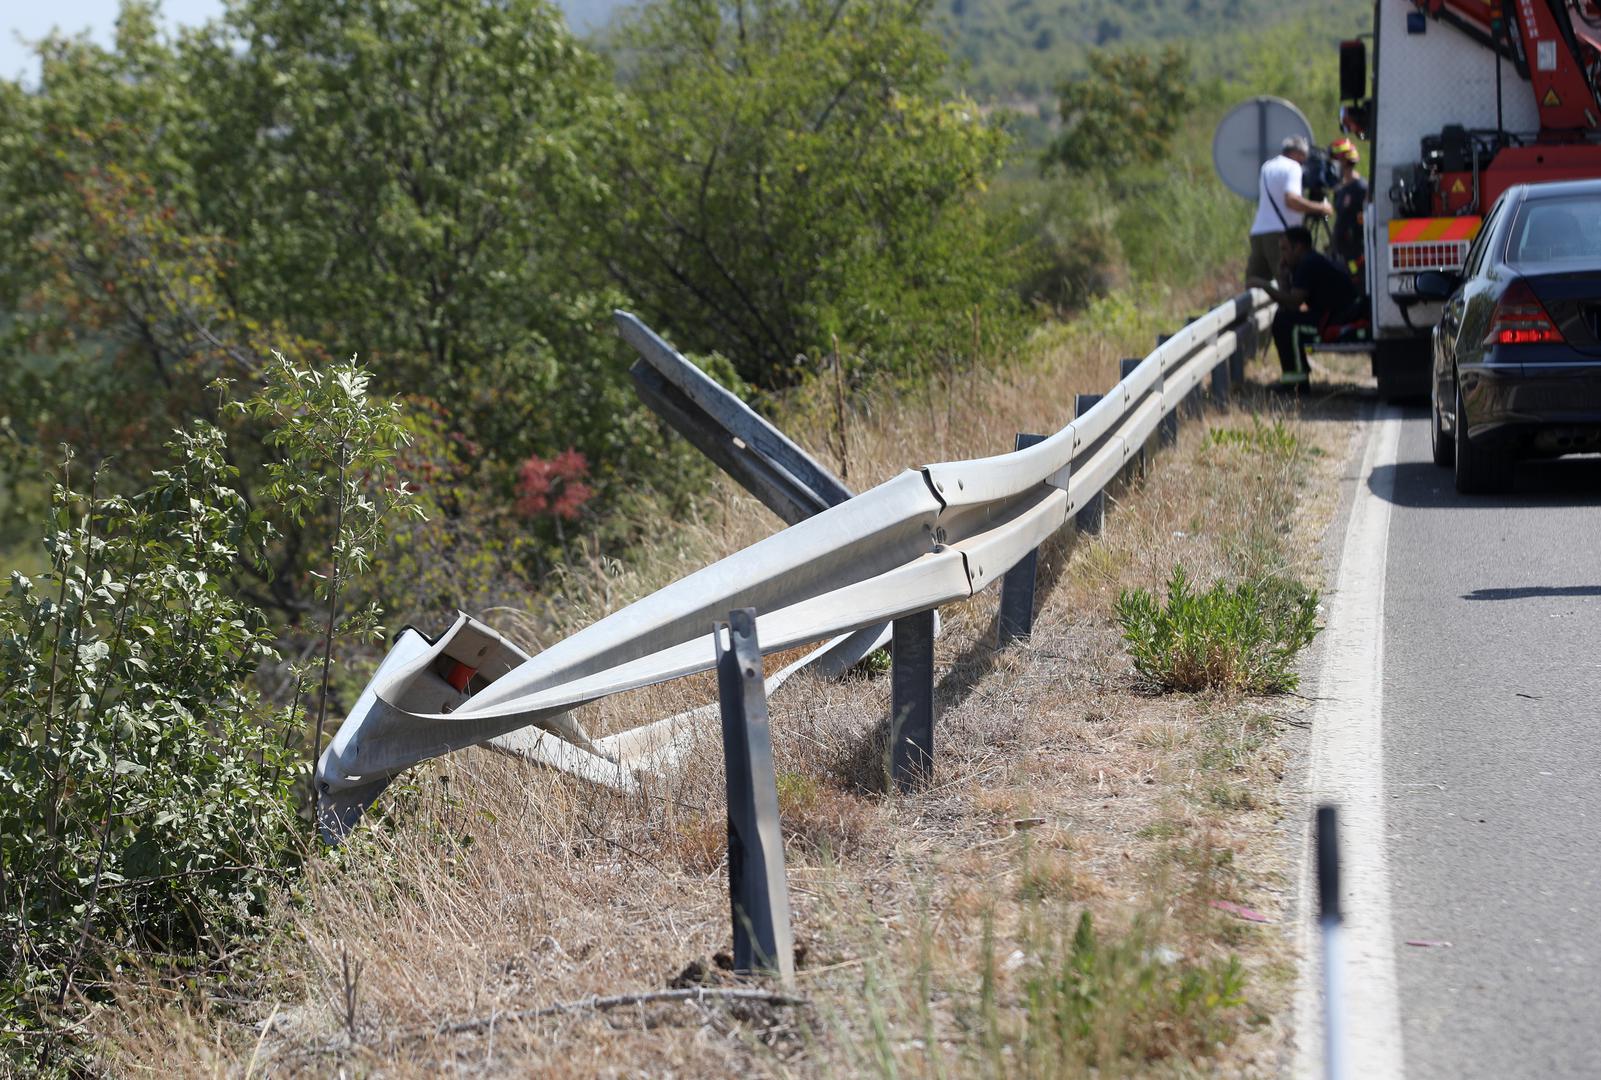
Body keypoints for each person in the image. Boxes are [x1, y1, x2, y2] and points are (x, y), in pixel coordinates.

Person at [1249, 225, 1364, 388]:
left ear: (1299, 248)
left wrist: (1265, 286)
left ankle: (1296, 382)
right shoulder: (1307, 261)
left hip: (1338, 320)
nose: (1282, 255)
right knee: (1285, 319)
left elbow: (1293, 302)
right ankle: (1297, 375)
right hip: (1333, 316)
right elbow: (1291, 306)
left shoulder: (1308, 263)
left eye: (1285, 249)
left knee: (1285, 323)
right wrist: (1283, 278)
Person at [1247, 135, 1333, 288]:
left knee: (1254, 286)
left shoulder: (1267, 166)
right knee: (1287, 284)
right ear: (1299, 153)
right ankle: (1291, 312)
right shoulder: (1293, 167)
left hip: (1258, 232)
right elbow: (1291, 200)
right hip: (1279, 235)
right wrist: (1321, 207)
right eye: (1304, 158)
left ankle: (1249, 313)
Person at [1329, 137, 1367, 279]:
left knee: (1355, 276)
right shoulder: (1339, 189)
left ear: (1344, 161)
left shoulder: (1361, 188)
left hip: (1356, 251)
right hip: (1341, 250)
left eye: (1335, 160)